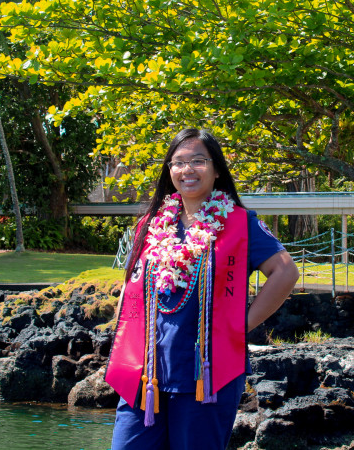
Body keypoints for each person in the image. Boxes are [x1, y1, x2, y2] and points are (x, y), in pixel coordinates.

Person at [105, 128, 300, 450]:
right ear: (169, 171)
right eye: (178, 163)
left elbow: (285, 271)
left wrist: (241, 326)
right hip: (145, 370)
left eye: (198, 161)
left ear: (217, 169)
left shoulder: (239, 223)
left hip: (205, 370)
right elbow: (133, 287)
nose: (187, 170)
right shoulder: (151, 224)